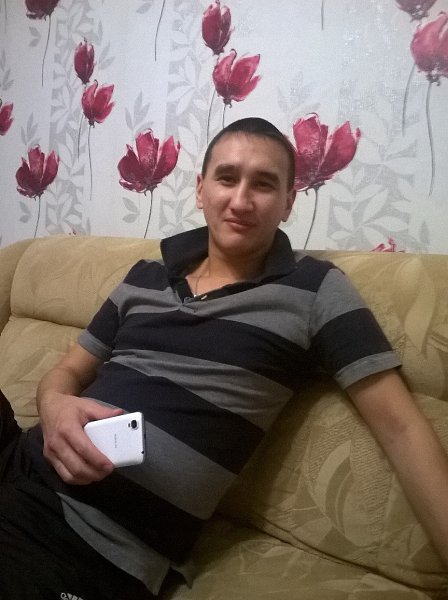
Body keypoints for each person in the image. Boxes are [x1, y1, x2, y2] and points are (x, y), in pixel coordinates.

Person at [1, 117, 448, 599]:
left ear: (288, 201)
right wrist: (53, 404)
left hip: (84, 540)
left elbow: (401, 429)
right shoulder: (145, 275)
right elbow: (68, 370)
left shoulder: (316, 289)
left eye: (264, 184)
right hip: (19, 458)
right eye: (227, 178)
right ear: (201, 189)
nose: (240, 200)